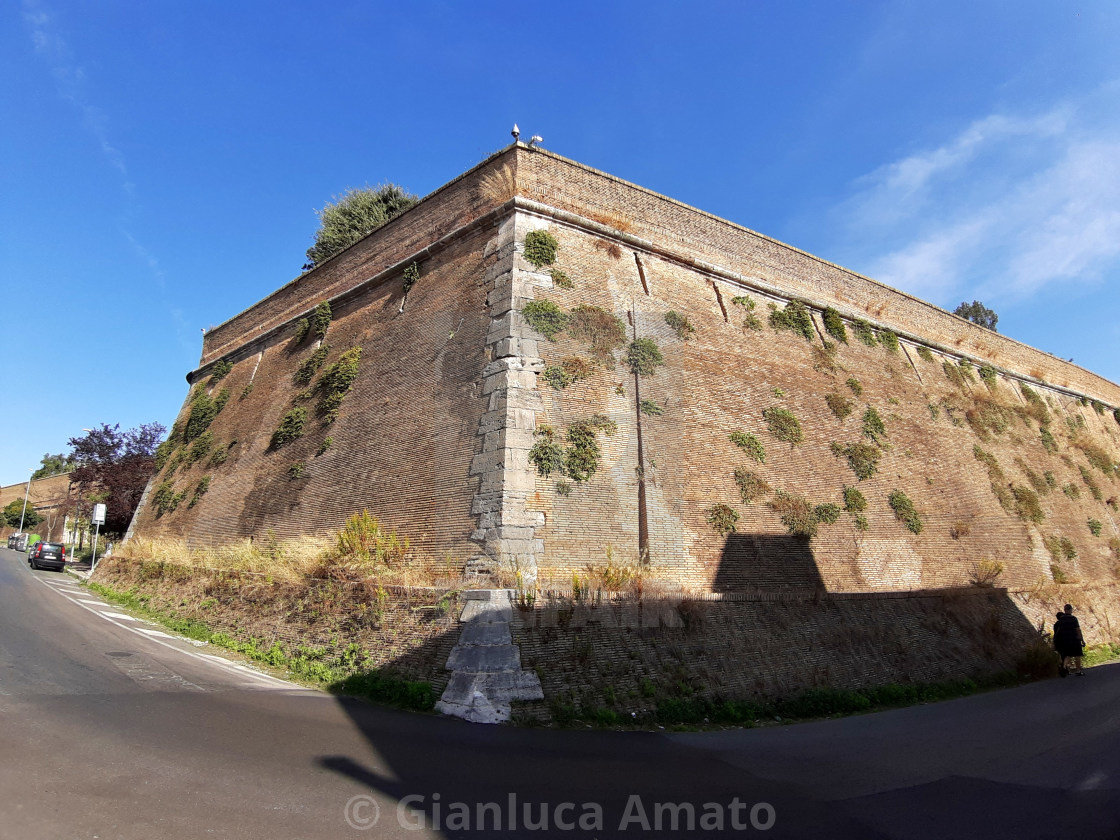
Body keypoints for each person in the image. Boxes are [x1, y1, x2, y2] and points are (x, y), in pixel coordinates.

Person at [1053, 604, 1085, 677]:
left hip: (1065, 640)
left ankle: (1064, 667)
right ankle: (1078, 671)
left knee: (1068, 655)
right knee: (1077, 655)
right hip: (1075, 639)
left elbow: (1059, 631)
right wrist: (1082, 640)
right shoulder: (1073, 618)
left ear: (1064, 610)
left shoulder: (1061, 620)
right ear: (1070, 610)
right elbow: (1078, 630)